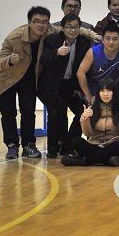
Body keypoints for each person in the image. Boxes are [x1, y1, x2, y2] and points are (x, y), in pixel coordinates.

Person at [0, 6, 56, 159]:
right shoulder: (14, 37)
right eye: (36, 21)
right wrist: (10, 60)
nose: (41, 25)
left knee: (28, 112)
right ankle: (12, 145)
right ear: (29, 22)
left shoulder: (50, 31)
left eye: (44, 22)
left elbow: (71, 29)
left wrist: (91, 34)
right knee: (8, 113)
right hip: (6, 79)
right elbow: (0, 60)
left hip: (28, 79)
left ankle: (28, 145)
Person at [39, 13, 93, 157]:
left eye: (76, 27)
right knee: (55, 113)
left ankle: (68, 145)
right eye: (69, 27)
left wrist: (79, 88)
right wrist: (56, 52)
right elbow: (43, 59)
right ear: (62, 28)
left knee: (83, 111)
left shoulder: (83, 43)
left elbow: (83, 68)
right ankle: (52, 149)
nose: (73, 30)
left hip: (70, 85)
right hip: (52, 85)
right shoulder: (52, 40)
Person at [61, 79, 119, 166]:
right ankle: (107, 160)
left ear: (114, 92)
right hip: (94, 144)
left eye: (109, 90)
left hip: (112, 144)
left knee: (117, 147)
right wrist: (85, 119)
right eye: (102, 91)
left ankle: (84, 161)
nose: (105, 94)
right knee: (76, 141)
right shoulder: (93, 108)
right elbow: (87, 133)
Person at [78, 22, 119, 104]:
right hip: (96, 92)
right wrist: (88, 95)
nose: (111, 42)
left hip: (118, 93)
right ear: (102, 39)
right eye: (108, 38)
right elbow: (80, 73)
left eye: (115, 39)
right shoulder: (93, 52)